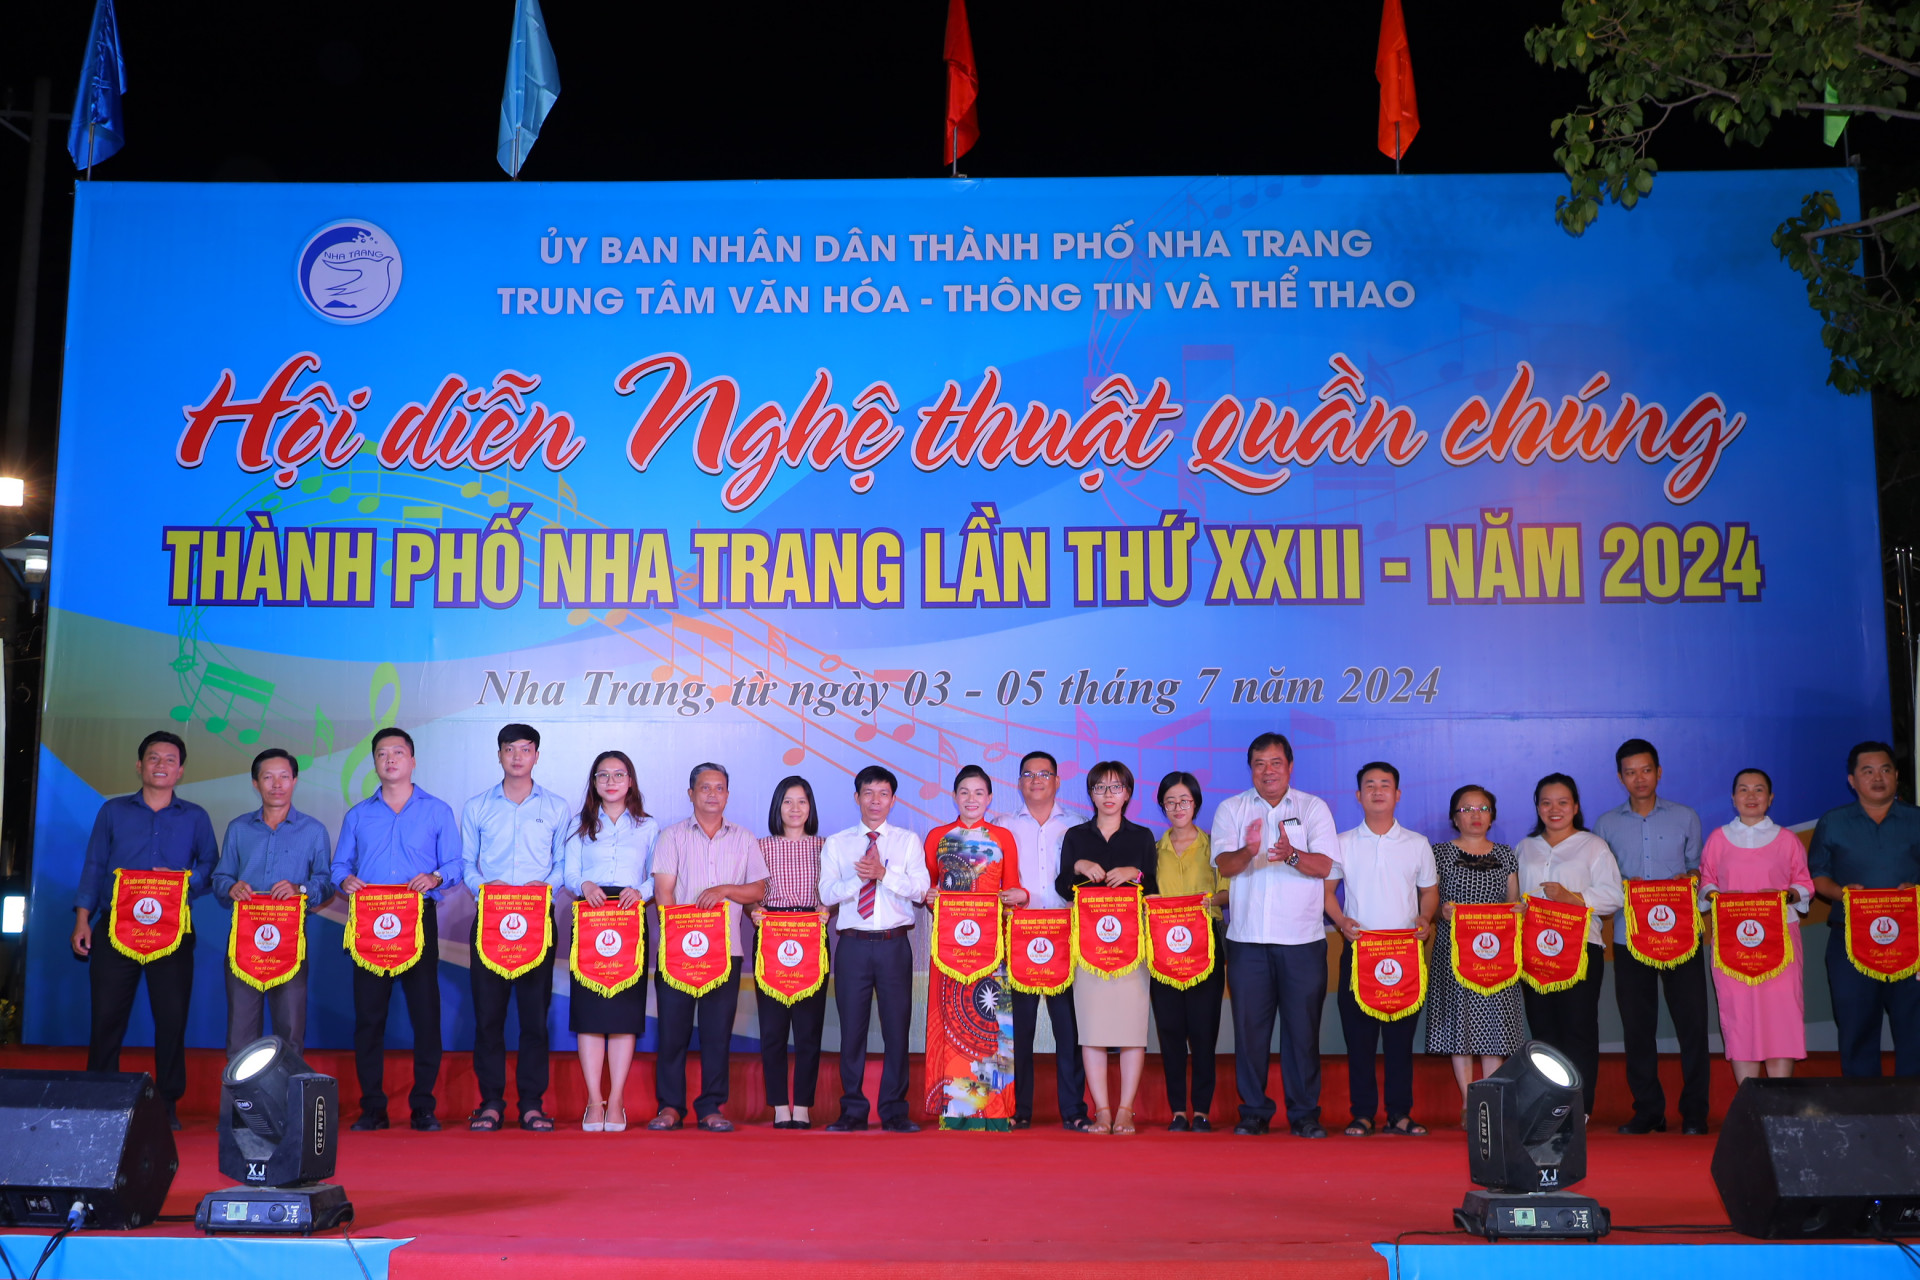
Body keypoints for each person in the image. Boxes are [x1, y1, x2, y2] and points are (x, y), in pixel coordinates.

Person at [70, 731, 218, 1129]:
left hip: (172, 931)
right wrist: (83, 918)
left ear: (180, 770)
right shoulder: (113, 811)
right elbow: (94, 866)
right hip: (115, 928)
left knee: (171, 1019)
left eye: (170, 760)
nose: (161, 765)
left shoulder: (196, 817)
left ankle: (167, 1103)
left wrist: (187, 878)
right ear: (139, 765)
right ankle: (99, 1097)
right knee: (106, 1017)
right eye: (153, 758)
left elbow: (211, 866)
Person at [331, 727, 463, 1132]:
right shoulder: (358, 814)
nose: (390, 760)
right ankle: (373, 1106)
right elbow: (339, 866)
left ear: (413, 761)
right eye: (382, 754)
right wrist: (345, 881)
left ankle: (423, 1105)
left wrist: (436, 877)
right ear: (374, 762)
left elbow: (457, 866)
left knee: (426, 1015)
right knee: (369, 1017)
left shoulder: (437, 810)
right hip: (369, 922)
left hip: (416, 919)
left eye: (398, 753)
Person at [1211, 732, 1339, 1138]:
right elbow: (1226, 867)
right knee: (1250, 1032)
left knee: (1302, 1031)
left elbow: (1324, 867)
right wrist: (1250, 851)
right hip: (1247, 941)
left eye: (1276, 763)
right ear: (1250, 768)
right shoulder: (1231, 809)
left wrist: (1292, 855)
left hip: (1302, 941)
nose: (1268, 771)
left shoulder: (1313, 807)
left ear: (1289, 766)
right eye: (1260, 764)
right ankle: (1253, 1112)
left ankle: (1304, 1114)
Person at [1591, 738, 1708, 1135]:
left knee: (1692, 1025)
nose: (1639, 778)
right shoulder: (1606, 824)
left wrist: (1688, 880)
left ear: (1659, 772)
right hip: (1630, 936)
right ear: (1620, 777)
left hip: (1681, 937)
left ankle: (1695, 1113)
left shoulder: (1686, 816)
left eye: (1646, 770)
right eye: (1630, 772)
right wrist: (1626, 885)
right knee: (1637, 1027)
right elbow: (1603, 881)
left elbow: (1699, 872)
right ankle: (1648, 1111)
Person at [460, 723, 571, 1133]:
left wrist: (547, 887)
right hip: (489, 922)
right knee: (488, 1017)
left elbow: (562, 864)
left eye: (526, 749)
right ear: (500, 755)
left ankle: (531, 1104)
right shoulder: (477, 806)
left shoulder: (557, 807)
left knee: (533, 1019)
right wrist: (485, 888)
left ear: (537, 756)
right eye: (510, 749)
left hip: (536, 924)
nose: (518, 756)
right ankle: (490, 1102)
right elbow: (466, 864)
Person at [649, 762, 769, 1133]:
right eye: (705, 788)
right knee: (673, 1032)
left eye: (719, 788)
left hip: (725, 952)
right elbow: (663, 891)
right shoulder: (672, 836)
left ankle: (711, 1106)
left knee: (718, 1034)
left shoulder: (744, 838)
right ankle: (670, 1107)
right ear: (691, 794)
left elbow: (758, 890)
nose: (712, 794)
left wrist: (725, 890)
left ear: (728, 795)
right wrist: (680, 937)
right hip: (677, 953)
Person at [1325, 761, 1438, 1137]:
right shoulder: (1340, 842)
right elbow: (1327, 892)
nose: (1377, 791)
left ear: (1397, 794)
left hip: (1404, 954)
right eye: (1369, 785)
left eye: (1385, 785)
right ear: (1358, 796)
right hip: (1360, 951)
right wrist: (1341, 922)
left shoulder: (1417, 844)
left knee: (1400, 1041)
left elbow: (1429, 892)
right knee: (1359, 1040)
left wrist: (1425, 919)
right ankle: (1362, 1113)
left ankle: (1400, 1114)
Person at [821, 764, 929, 1132]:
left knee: (896, 1029)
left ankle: (895, 1110)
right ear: (856, 798)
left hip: (894, 945)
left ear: (893, 800)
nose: (875, 801)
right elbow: (826, 894)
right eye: (868, 793)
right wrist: (859, 878)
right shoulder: (837, 843)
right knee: (852, 1030)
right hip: (851, 946)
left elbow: (920, 891)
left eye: (883, 794)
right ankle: (852, 1111)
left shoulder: (907, 841)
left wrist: (884, 875)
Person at [992, 751, 1093, 1131]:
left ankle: (1074, 1110)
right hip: (1018, 934)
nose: (1036, 780)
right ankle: (1020, 1109)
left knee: (1069, 1028)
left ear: (1056, 781)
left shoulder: (1079, 826)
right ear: (1018, 782)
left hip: (1064, 934)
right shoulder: (1001, 826)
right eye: (1028, 775)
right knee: (1019, 1029)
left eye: (1044, 774)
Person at [1513, 772, 1623, 1121]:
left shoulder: (1592, 846)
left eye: (1563, 802)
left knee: (1578, 1030)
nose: (1554, 809)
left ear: (1575, 806)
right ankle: (1547, 1107)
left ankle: (1578, 1109)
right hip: (1534, 952)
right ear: (1537, 807)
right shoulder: (1525, 847)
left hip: (1579, 951)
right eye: (1546, 802)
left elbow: (1613, 897)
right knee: (1543, 1032)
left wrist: (1571, 897)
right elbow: (1513, 898)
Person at [1057, 761, 1159, 1135]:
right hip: (1087, 948)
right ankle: (1101, 1109)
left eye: (1116, 788)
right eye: (1100, 788)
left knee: (1132, 1029)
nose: (1108, 795)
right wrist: (1078, 867)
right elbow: (1062, 886)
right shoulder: (1075, 836)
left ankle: (1126, 1110)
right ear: (1091, 794)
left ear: (1128, 793)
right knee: (1093, 1029)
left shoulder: (1143, 837)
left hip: (1133, 947)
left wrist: (1137, 874)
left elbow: (1155, 889)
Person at [1808, 741, 1920, 1077]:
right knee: (1856, 1025)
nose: (1877, 777)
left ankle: (1913, 1110)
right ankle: (1862, 1112)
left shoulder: (1916, 820)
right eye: (1867, 771)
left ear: (1897, 776)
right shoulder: (1834, 821)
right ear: (1852, 781)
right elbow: (1817, 877)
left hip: (1910, 939)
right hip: (1849, 939)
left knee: (1914, 1026)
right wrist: (1842, 893)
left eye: (1885, 769)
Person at [212, 748, 333, 1060]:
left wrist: (300, 889)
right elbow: (220, 877)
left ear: (294, 780)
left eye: (284, 777)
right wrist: (231, 886)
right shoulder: (239, 828)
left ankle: (288, 1108)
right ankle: (241, 1110)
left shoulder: (313, 830)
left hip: (291, 946)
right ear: (255, 783)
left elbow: (326, 882)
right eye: (268, 777)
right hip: (244, 945)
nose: (276, 784)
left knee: (290, 1035)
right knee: (240, 1036)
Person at [560, 749, 657, 1132]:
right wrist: (583, 884)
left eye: (619, 775)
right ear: (594, 783)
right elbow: (568, 873)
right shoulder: (579, 825)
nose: (611, 782)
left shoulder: (648, 826)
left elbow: (657, 873)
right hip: (590, 919)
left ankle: (616, 1099)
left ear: (630, 781)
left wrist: (643, 890)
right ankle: (593, 1101)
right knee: (590, 1015)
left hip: (630, 920)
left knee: (622, 1015)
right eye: (603, 775)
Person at [923, 765, 1025, 1130]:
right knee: (952, 1026)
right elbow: (929, 890)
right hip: (950, 949)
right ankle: (955, 1114)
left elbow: (1015, 888)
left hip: (991, 948)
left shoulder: (1003, 837)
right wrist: (930, 896)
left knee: (992, 1028)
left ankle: (996, 1113)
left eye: (978, 793)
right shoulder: (938, 836)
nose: (971, 799)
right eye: (964, 792)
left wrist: (1020, 895)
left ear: (990, 798)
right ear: (954, 796)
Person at [1700, 768, 1814, 1083]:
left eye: (1759, 789)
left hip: (1781, 942)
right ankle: (1749, 1104)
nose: (1751, 796)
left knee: (1781, 1014)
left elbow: (1804, 884)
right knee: (1740, 1016)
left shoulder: (1788, 840)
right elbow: (1706, 882)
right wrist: (1716, 895)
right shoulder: (1718, 839)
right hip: (1733, 943)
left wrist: (1788, 894)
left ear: (1771, 797)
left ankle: (1779, 1104)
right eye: (1744, 790)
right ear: (1734, 798)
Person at [1423, 784, 1524, 1123]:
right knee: (1459, 1025)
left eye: (1482, 808)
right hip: (1454, 953)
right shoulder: (1438, 853)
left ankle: (1489, 1102)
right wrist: (1440, 913)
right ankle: (1470, 1102)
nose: (1475, 815)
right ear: (1454, 817)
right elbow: (1428, 902)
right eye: (1466, 809)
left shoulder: (1507, 854)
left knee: (1494, 1026)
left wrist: (1518, 911)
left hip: (1496, 955)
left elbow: (1513, 901)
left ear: (1492, 815)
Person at [1149, 770, 1227, 1131]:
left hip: (1205, 944)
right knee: (1169, 1029)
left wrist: (1206, 901)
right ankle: (1178, 1109)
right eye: (1170, 801)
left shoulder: (1216, 847)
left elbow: (1228, 894)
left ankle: (1203, 1110)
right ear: (1162, 806)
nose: (1178, 807)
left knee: (1203, 1029)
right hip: (1162, 947)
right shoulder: (1153, 852)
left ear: (1195, 803)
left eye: (1184, 800)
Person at [753, 775, 827, 1130]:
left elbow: (835, 892)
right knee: (773, 1028)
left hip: (812, 936)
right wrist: (754, 907)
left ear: (810, 808)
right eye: (788, 801)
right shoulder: (761, 846)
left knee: (809, 1029)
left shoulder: (824, 846)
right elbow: (750, 890)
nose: (795, 809)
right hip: (771, 936)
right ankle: (780, 1105)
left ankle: (804, 1105)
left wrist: (830, 910)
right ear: (777, 806)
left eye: (802, 801)